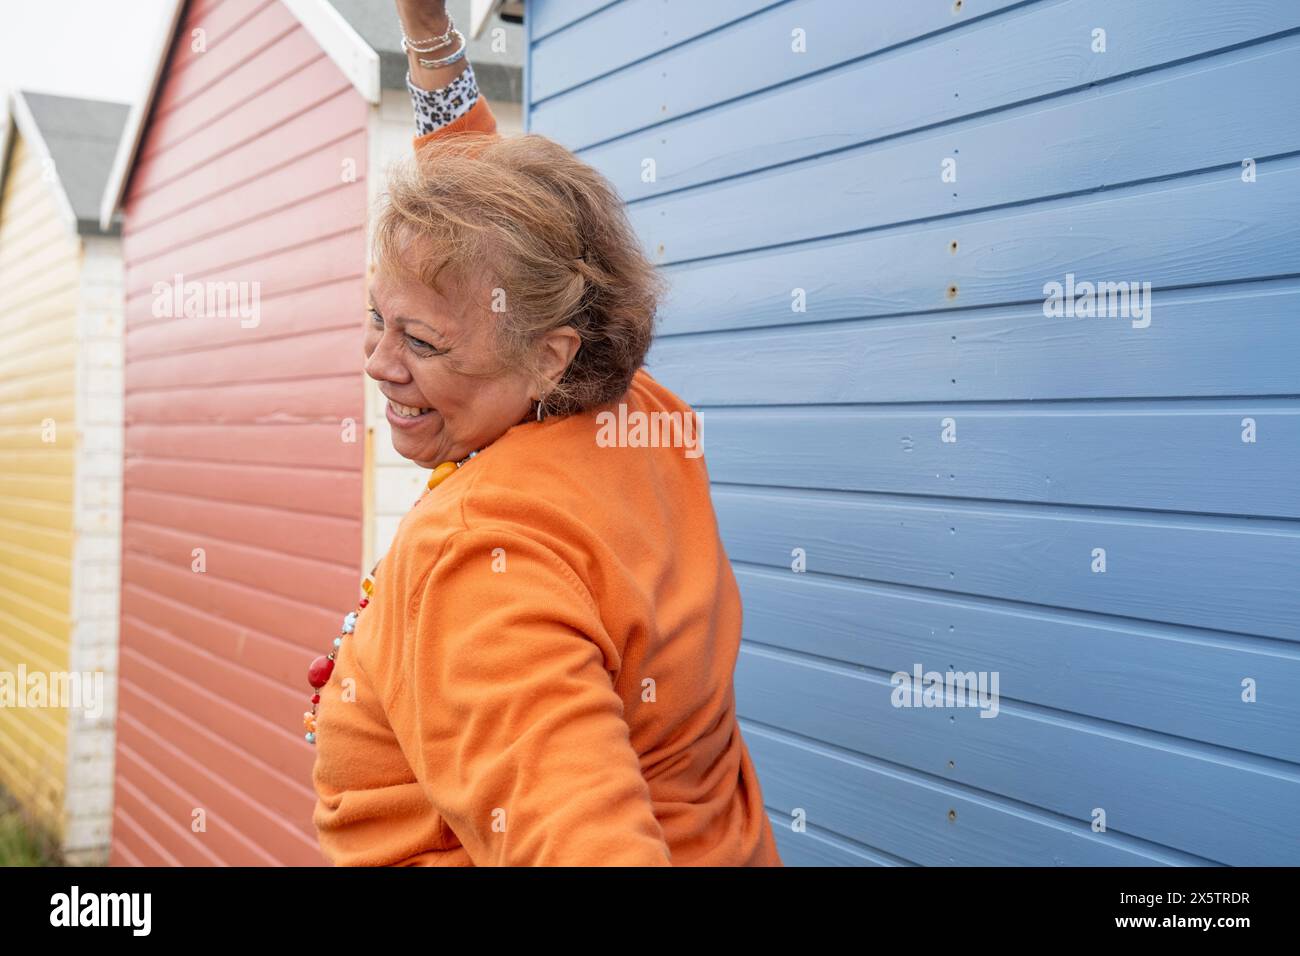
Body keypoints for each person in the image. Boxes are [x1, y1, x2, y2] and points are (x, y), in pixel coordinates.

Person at [309, 0, 783, 866]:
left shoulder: (483, 565)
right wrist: (428, 32)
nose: (379, 362)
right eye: (376, 319)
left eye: (421, 340)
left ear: (548, 354)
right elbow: (496, 219)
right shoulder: (637, 412)